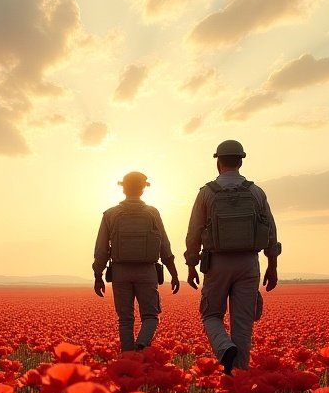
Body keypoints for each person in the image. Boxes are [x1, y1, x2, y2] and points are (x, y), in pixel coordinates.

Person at [184, 139, 280, 373]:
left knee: (211, 314)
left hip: (216, 264)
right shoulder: (256, 192)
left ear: (218, 162)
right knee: (243, 324)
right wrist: (272, 266)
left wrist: (191, 264)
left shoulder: (207, 193)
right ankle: (240, 377)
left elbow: (194, 232)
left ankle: (224, 347)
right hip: (248, 263)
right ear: (240, 161)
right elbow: (271, 231)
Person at [93, 171, 180, 352]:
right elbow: (164, 245)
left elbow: (101, 249)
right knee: (150, 316)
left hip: (120, 271)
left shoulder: (110, 214)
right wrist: (173, 272)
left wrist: (98, 275)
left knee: (125, 319)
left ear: (123, 188)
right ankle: (142, 344)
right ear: (143, 189)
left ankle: (128, 356)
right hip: (147, 271)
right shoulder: (152, 213)